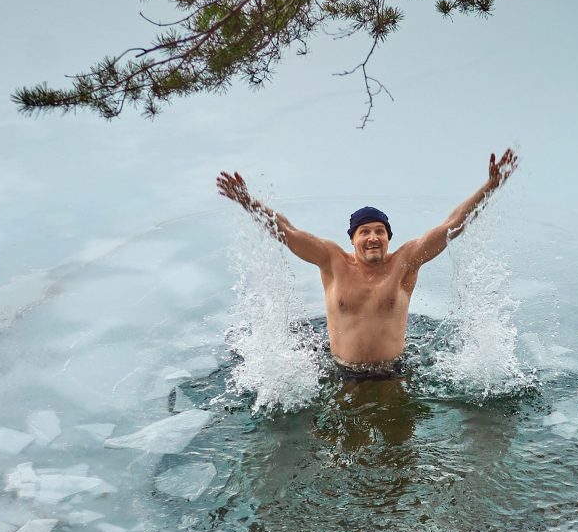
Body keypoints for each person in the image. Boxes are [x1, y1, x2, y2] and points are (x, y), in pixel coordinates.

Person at [216, 149, 518, 380]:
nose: (372, 237)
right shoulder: (332, 261)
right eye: (365, 232)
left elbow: (452, 224)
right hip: (341, 375)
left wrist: (489, 188)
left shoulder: (405, 262)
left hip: (393, 375)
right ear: (353, 239)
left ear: (388, 238)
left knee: (398, 455)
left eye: (379, 232)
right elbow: (287, 230)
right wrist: (248, 202)